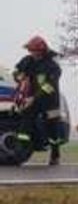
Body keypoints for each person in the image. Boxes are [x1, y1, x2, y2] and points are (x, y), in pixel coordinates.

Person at [13, 35, 64, 165]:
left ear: (42, 51)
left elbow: (48, 86)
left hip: (50, 102)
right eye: (30, 50)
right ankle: (20, 152)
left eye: (34, 51)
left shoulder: (52, 66)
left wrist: (34, 98)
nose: (31, 53)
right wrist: (20, 76)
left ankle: (55, 154)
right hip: (31, 100)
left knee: (53, 130)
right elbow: (16, 72)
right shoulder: (27, 61)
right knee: (25, 123)